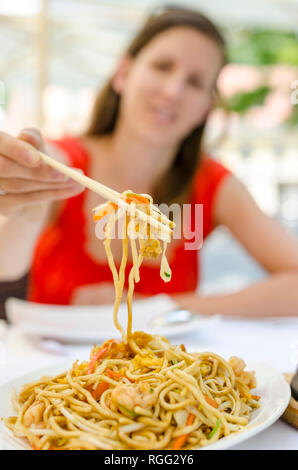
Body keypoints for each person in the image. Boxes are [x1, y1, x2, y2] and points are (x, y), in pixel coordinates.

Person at [0, 6, 298, 317]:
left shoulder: (211, 185)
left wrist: (158, 307)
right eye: (162, 66)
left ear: (204, 109)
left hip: (161, 366)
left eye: (195, 82)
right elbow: (5, 269)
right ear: (123, 73)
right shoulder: (64, 163)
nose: (172, 91)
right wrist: (22, 204)